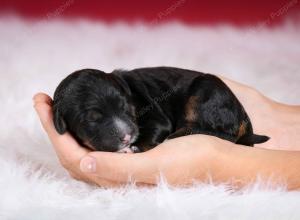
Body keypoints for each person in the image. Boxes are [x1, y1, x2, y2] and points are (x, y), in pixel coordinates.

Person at [33, 76, 300, 190]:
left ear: (124, 94)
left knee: (202, 91)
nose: (125, 133)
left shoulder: (140, 100)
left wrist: (217, 161)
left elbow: (157, 123)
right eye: (93, 119)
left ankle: (221, 134)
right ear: (61, 121)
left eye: (123, 110)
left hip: (203, 92)